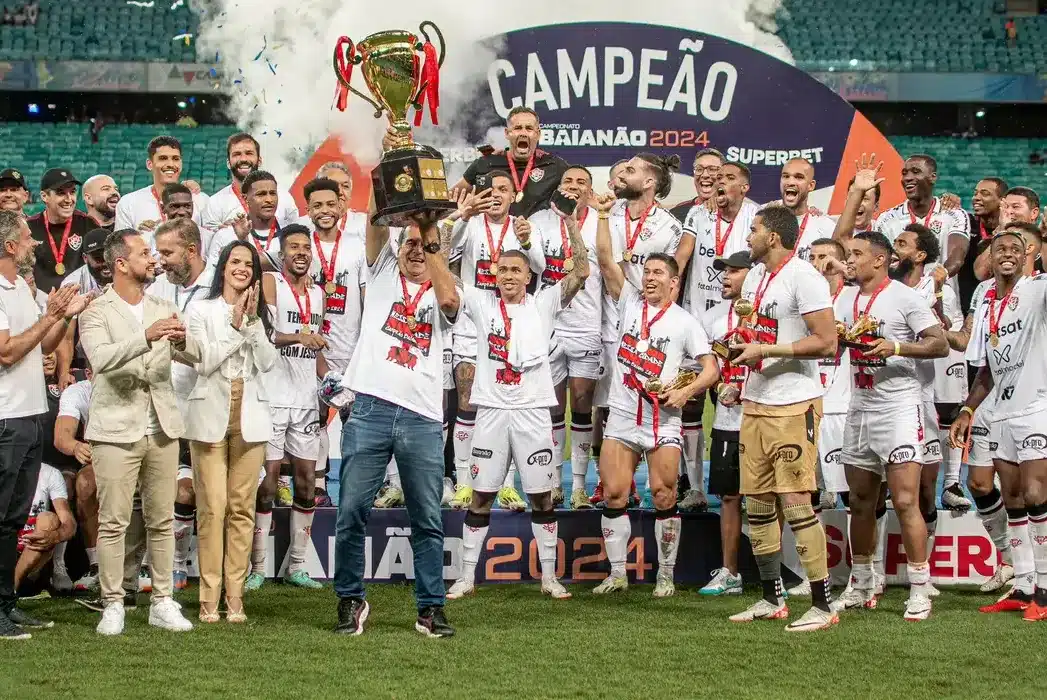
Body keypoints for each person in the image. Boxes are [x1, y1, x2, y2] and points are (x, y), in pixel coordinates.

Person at [447, 192, 590, 600]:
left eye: (516, 270)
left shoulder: (545, 302)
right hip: (491, 411)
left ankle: (548, 577)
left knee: (542, 496)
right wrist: (454, 220)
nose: (508, 276)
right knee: (481, 497)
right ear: (493, 273)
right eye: (502, 269)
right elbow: (442, 268)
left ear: (528, 275)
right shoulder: (479, 301)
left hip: (531, 412)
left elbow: (581, 271)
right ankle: (467, 576)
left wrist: (574, 224)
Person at [333, 190, 461, 638]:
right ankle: (351, 599)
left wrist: (431, 238)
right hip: (369, 405)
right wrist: (390, 160)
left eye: (420, 244)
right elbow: (374, 220)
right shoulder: (381, 268)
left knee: (427, 517)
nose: (412, 250)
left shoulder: (445, 286)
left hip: (422, 415)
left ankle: (430, 608)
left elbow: (449, 303)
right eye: (405, 243)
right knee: (350, 511)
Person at [591, 189, 719, 598]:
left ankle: (665, 574)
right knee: (613, 493)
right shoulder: (628, 305)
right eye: (646, 274)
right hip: (624, 415)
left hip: (664, 418)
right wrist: (603, 216)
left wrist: (687, 391)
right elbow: (608, 262)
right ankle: (616, 573)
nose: (649, 279)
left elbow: (711, 368)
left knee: (664, 494)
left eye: (658, 274)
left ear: (674, 280)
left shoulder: (685, 322)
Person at [78, 229, 199, 635]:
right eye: (144, 253)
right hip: (114, 428)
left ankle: (162, 601)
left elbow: (193, 355)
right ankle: (113, 602)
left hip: (162, 426)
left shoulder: (164, 305)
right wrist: (147, 336)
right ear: (120, 264)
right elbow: (101, 359)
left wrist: (185, 341)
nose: (153, 259)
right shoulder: (96, 311)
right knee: (113, 521)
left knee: (162, 518)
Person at [725, 205, 838, 631]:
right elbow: (754, 336)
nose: (748, 236)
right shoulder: (755, 276)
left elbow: (826, 342)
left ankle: (823, 605)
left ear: (773, 236)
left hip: (794, 404)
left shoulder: (804, 277)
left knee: (794, 502)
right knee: (757, 504)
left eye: (753, 229)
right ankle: (772, 599)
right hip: (755, 400)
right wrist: (739, 375)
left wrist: (768, 353)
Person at [833, 232, 949, 620]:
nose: (849, 261)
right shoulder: (845, 298)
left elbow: (939, 344)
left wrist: (896, 347)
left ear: (880, 260)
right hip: (860, 405)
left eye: (856, 255)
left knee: (903, 501)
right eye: (848, 254)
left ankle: (919, 589)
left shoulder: (905, 297)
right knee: (861, 502)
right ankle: (861, 581)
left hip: (899, 408)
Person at [950, 226, 1047, 621]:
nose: (1006, 253)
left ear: (1028, 255)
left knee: (1037, 494)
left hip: (1036, 407)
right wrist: (967, 410)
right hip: (1002, 411)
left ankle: (1044, 588)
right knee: (1015, 501)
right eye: (998, 247)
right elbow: (986, 371)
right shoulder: (988, 302)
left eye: (1015, 248)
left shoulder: (1038, 290)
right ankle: (1023, 584)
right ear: (989, 257)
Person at [0, 210, 85, 639]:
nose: (34, 243)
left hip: (31, 413)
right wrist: (50, 316)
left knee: (15, 517)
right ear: (11, 246)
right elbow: (8, 352)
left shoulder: (20, 288)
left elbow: (46, 342)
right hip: (5, 417)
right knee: (0, 516)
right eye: (27, 239)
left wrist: (66, 314)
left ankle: (7, 605)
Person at [185, 241, 276, 622]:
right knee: (212, 508)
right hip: (209, 411)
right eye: (235, 262)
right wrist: (237, 328)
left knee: (242, 509)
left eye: (249, 264)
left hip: (251, 414)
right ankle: (209, 595)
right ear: (222, 268)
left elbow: (268, 363)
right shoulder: (200, 309)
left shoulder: (260, 314)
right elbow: (202, 362)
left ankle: (235, 597)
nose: (242, 268)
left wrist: (253, 325)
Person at [444, 171, 544, 512]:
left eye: (503, 189)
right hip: (475, 321)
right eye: (490, 189)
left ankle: (507, 485)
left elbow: (542, 269)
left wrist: (528, 242)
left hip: (513, 325)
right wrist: (463, 213)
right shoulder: (472, 224)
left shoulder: (523, 226)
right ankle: (463, 483)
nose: (496, 195)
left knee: (509, 405)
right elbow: (443, 246)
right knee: (468, 403)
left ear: (514, 195)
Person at [248, 224, 326, 591]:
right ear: (281, 254)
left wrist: (329, 386)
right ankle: (258, 567)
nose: (300, 252)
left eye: (305, 248)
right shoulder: (270, 282)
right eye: (293, 247)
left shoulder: (320, 294)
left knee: (307, 482)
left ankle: (297, 566)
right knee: (266, 483)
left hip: (307, 400)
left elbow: (318, 348)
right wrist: (299, 336)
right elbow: (265, 335)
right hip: (273, 398)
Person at [680, 163, 759, 510]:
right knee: (692, 402)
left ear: (744, 187)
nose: (719, 181)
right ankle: (695, 486)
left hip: (741, 317)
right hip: (700, 317)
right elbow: (683, 256)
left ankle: (746, 482)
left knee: (737, 399)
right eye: (717, 177)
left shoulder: (759, 215)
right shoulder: (698, 214)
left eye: (728, 178)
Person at [529, 167, 602, 509]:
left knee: (584, 405)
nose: (573, 187)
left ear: (590, 190)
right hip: (550, 322)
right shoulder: (541, 220)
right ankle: (555, 481)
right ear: (559, 188)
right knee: (554, 406)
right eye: (567, 181)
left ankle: (579, 486)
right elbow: (534, 266)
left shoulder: (604, 222)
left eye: (580, 182)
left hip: (587, 323)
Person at [148, 218, 214, 589]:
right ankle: (164, 566)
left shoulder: (219, 287)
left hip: (203, 404)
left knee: (196, 491)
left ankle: (194, 566)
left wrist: (182, 347)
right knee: (161, 488)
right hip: (161, 402)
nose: (162, 260)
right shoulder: (158, 286)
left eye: (168, 252)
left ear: (191, 251)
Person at [697, 251, 751, 597]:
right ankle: (730, 572)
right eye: (724, 271)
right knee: (729, 497)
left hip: (765, 417)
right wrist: (719, 387)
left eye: (734, 270)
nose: (725, 277)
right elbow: (707, 367)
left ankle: (772, 572)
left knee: (770, 497)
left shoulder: (771, 312)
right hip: (728, 420)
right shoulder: (713, 318)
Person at [875, 154, 970, 297]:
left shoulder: (954, 214)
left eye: (916, 171)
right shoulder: (887, 219)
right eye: (904, 173)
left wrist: (935, 281)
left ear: (933, 177)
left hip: (943, 299)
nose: (907, 178)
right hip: (898, 300)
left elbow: (957, 255)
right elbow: (878, 261)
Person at [451, 106, 569, 218]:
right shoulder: (485, 163)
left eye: (529, 128)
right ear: (507, 133)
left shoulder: (554, 165)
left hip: (537, 236)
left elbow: (585, 196)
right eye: (517, 128)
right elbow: (449, 198)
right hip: (492, 236)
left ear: (537, 134)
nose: (523, 133)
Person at [114, 136, 209, 243]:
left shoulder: (201, 200)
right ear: (149, 164)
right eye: (163, 158)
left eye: (175, 159)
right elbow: (120, 247)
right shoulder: (128, 203)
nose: (170, 164)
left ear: (181, 164)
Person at [201, 132, 300, 232]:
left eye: (249, 153)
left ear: (259, 161)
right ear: (228, 163)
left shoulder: (283, 197)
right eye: (237, 154)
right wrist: (225, 233)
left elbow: (296, 234)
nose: (243, 159)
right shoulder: (215, 203)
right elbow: (211, 242)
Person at [27, 168, 94, 293]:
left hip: (79, 301)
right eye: (60, 193)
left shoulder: (88, 224)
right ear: (44, 196)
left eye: (72, 192)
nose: (69, 199)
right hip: (40, 304)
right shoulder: (29, 227)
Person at [14, 464, 77, 596]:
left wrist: (55, 536)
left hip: (33, 562)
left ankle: (10, 589)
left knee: (49, 519)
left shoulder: (49, 473)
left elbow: (69, 523)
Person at [207, 170, 283, 270]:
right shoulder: (225, 235)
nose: (269, 199)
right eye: (261, 194)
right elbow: (213, 276)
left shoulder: (290, 235)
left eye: (273, 193)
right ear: (245, 198)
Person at [776, 158, 837, 261]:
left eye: (799, 177)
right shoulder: (763, 220)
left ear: (811, 185)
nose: (790, 182)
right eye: (786, 176)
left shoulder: (826, 227)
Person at [831, 155, 885, 241]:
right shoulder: (828, 224)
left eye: (865, 198)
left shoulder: (883, 230)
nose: (858, 202)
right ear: (846, 202)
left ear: (876, 206)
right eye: (855, 197)